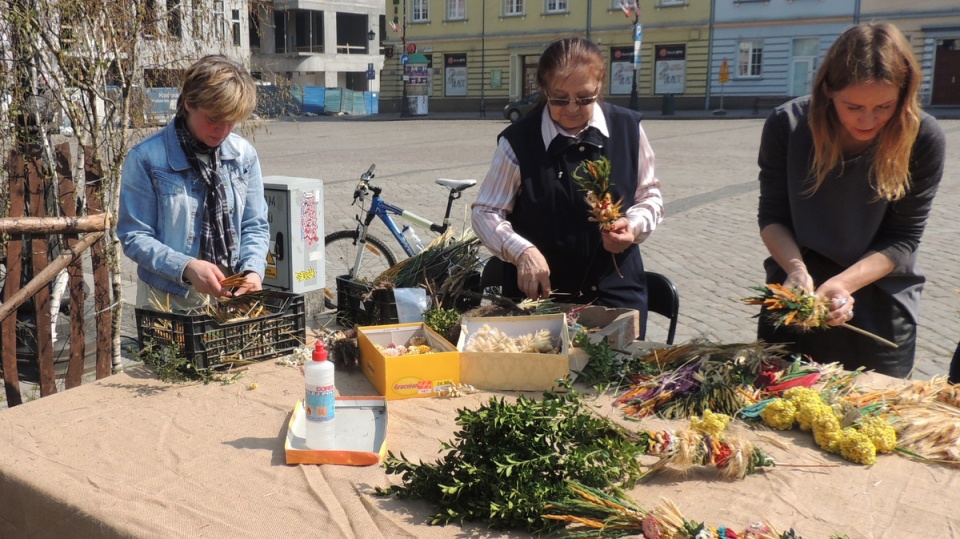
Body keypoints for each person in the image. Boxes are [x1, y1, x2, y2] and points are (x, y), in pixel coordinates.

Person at [755, 23, 945, 378]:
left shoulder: (923, 135)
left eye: (884, 106)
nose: (868, 120)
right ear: (828, 89)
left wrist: (844, 284)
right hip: (797, 286)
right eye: (854, 106)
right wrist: (796, 271)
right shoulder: (788, 124)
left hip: (880, 299)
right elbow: (772, 216)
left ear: (904, 95)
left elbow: (903, 237)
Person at [471, 37, 663, 322]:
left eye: (585, 98)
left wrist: (632, 227)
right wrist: (521, 251)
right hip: (540, 296)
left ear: (599, 87)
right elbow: (485, 211)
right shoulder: (520, 140)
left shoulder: (627, 129)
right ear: (544, 89)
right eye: (559, 98)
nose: (572, 108)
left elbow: (649, 196)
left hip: (616, 293)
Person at [118, 55, 269, 310]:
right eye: (213, 118)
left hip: (232, 296)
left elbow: (255, 225)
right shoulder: (147, 158)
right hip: (168, 299)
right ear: (189, 103)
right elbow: (134, 236)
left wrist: (253, 270)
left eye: (231, 121)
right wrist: (186, 267)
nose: (222, 130)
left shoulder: (243, 155)